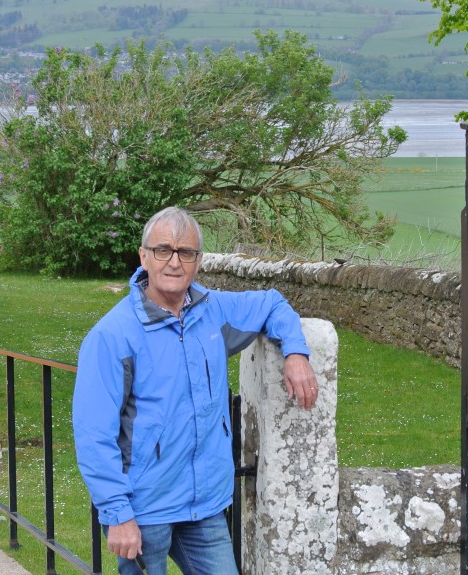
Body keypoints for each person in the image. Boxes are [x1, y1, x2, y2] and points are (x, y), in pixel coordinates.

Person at [73, 206, 319, 575]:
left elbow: (272, 303)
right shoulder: (112, 336)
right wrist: (117, 513)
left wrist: (296, 353)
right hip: (144, 509)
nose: (174, 262)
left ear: (198, 261)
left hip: (204, 506)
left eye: (185, 252)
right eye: (163, 250)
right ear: (144, 256)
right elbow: (93, 435)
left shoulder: (213, 311)